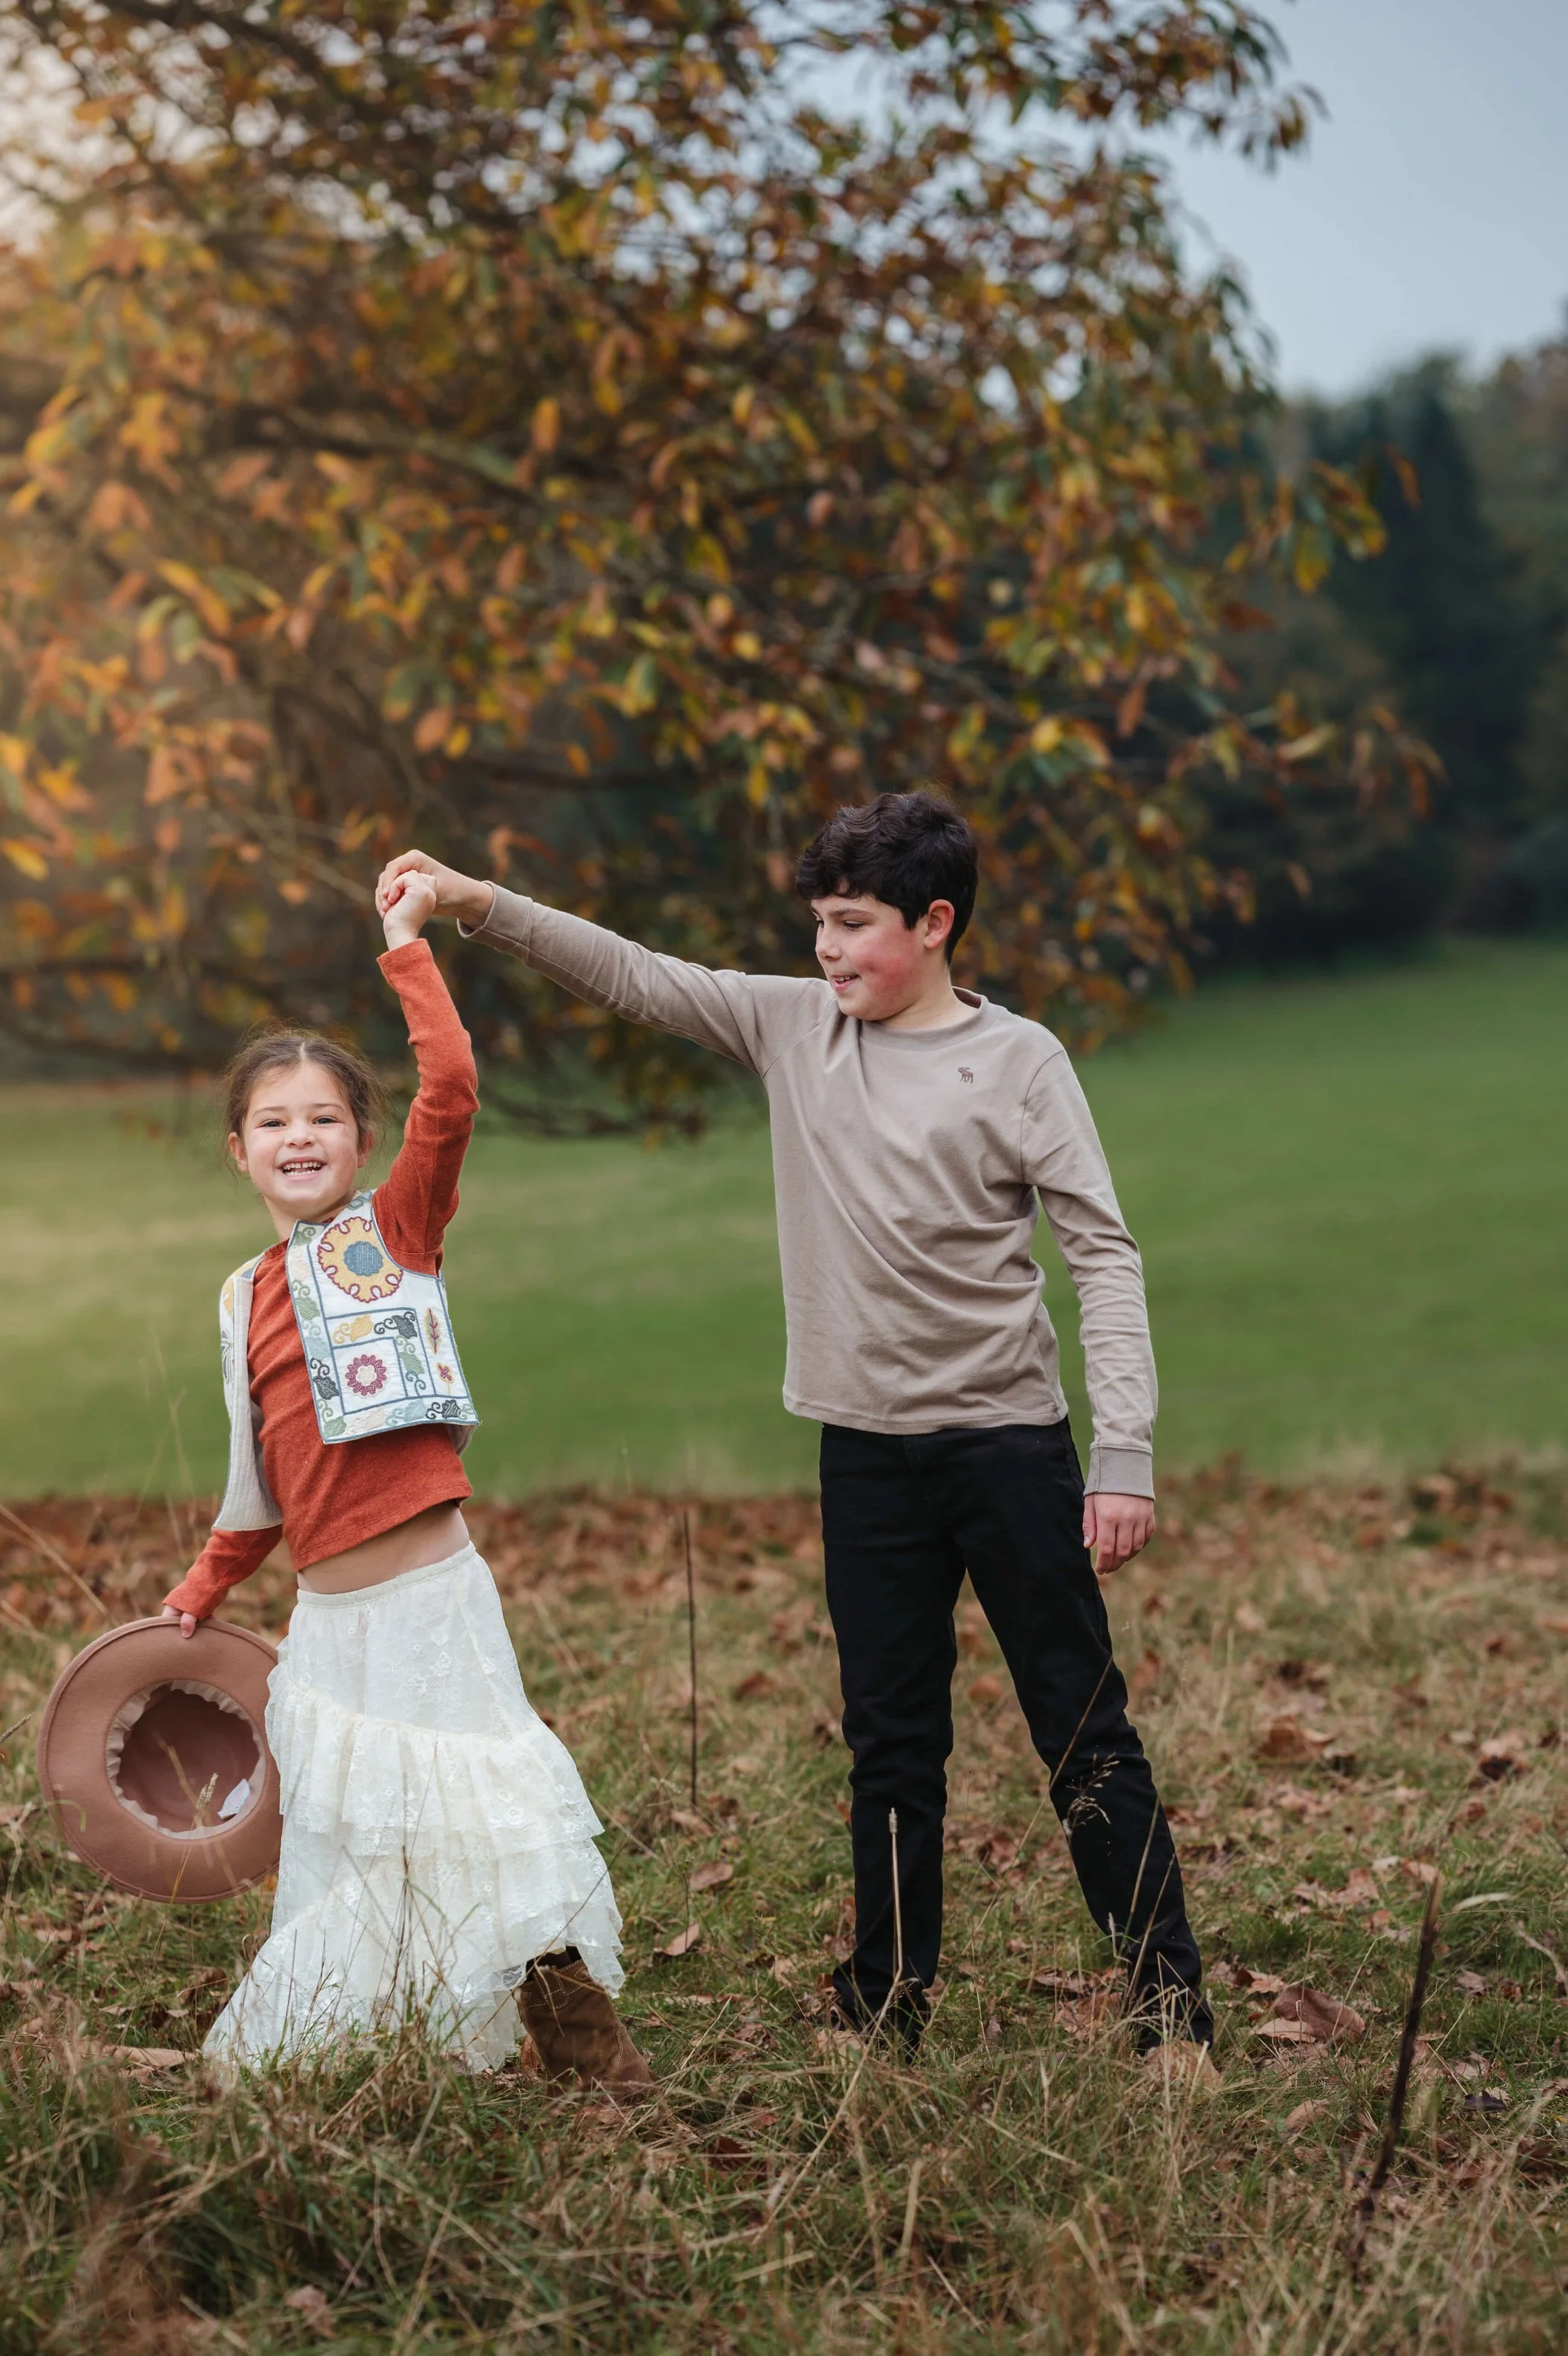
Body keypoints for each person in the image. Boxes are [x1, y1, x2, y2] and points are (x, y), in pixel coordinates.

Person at [378, 793, 1212, 2061]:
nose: (826, 952)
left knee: (1082, 1733)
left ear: (935, 924)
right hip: (865, 1456)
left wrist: (1125, 1455)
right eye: (817, 924)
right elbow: (635, 976)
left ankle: (1173, 2023)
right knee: (891, 1743)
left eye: (852, 926)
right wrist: (475, 902)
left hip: (1008, 1446)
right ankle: (884, 2012)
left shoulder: (1021, 1061)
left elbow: (1103, 1256)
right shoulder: (792, 1027)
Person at [159, 868, 652, 2097]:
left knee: (492, 1816)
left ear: (360, 1142)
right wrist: (205, 1586)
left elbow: (455, 1086)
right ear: (240, 1152)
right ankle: (342, 2051)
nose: (300, 1138)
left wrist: (405, 945)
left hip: (434, 1602)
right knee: (362, 1845)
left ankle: (587, 2052)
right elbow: (254, 1476)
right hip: (332, 1629)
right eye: (274, 1123)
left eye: (323, 1117)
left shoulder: (398, 1230)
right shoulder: (239, 1296)